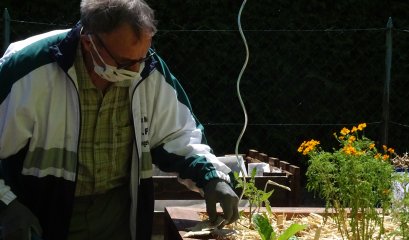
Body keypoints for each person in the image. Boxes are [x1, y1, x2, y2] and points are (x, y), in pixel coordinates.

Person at [0, 0, 240, 239]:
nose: (136, 71)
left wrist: (212, 178)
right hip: (41, 212)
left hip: (116, 215)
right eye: (125, 62)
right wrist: (7, 206)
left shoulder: (149, 70)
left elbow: (179, 134)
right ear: (89, 42)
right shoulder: (29, 67)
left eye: (142, 58)